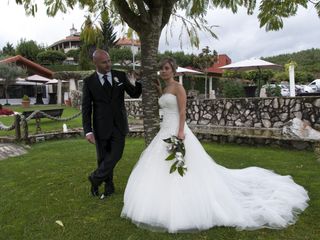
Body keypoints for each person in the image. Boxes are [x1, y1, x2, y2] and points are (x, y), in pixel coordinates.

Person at [121, 57, 309, 233]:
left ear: (173, 70)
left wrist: (180, 132)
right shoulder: (166, 87)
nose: (163, 71)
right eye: (161, 69)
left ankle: (184, 204)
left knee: (182, 166)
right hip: (164, 131)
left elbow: (183, 111)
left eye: (166, 68)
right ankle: (160, 203)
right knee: (161, 165)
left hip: (176, 130)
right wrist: (158, 90)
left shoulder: (179, 87)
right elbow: (166, 103)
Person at [82, 49, 142, 199]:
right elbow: (86, 108)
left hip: (119, 125)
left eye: (109, 61)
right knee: (103, 158)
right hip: (101, 126)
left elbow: (134, 93)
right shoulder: (89, 82)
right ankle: (108, 187)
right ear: (95, 63)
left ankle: (95, 178)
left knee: (116, 154)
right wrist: (88, 131)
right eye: (104, 62)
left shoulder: (119, 75)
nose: (108, 64)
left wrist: (139, 81)